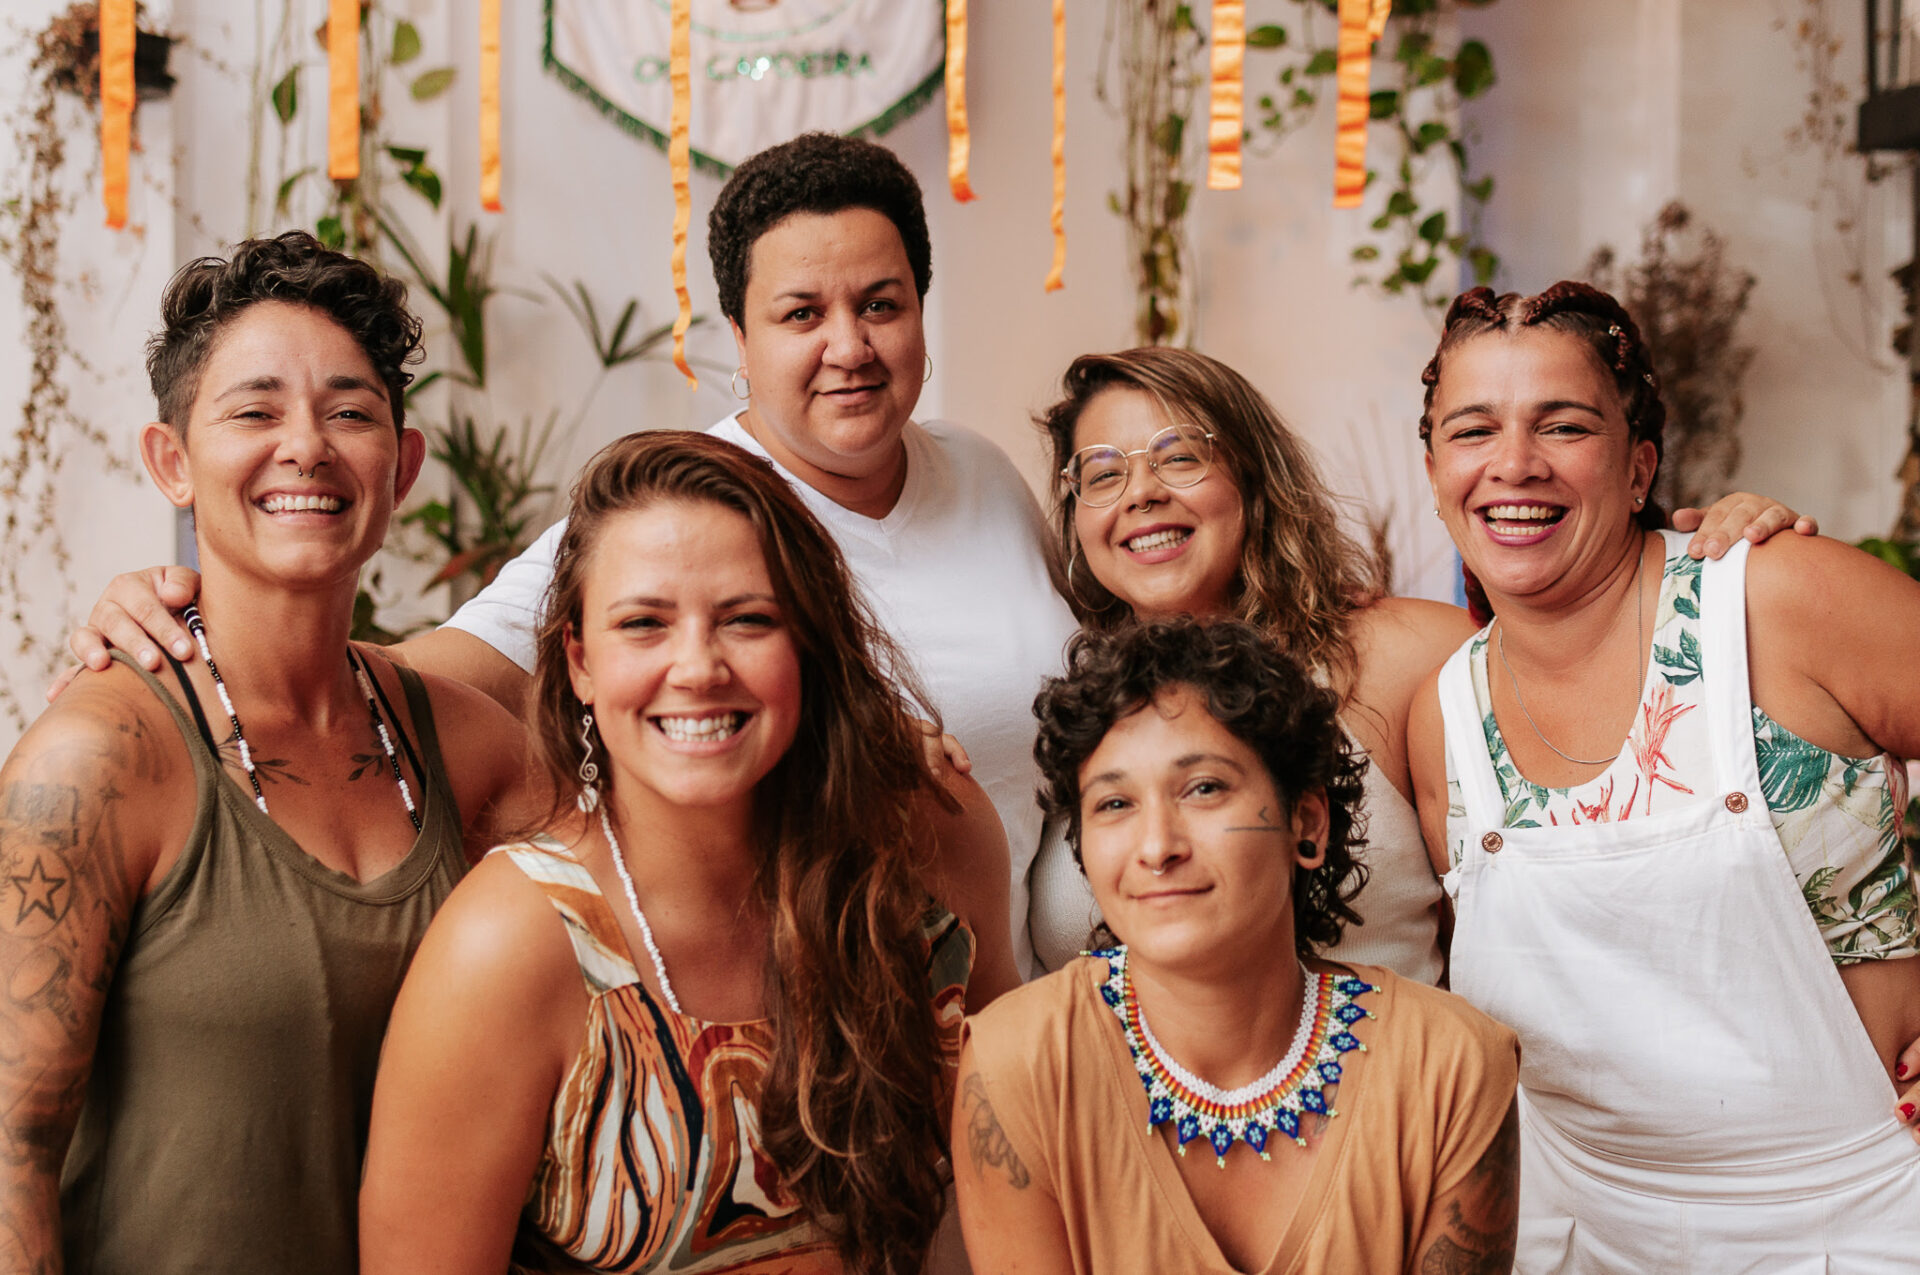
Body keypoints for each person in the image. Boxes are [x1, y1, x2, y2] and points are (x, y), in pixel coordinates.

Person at [64, 132, 1080, 978]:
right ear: (739, 336)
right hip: (805, 1004)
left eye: (881, 304)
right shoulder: (688, 512)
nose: (849, 345)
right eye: (802, 314)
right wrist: (201, 622)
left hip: (1022, 1003)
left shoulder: (981, 473)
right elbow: (397, 689)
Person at [359, 430, 1016, 1274]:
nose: (698, 667)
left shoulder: (935, 843)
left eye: (747, 619)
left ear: (809, 642)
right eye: (644, 623)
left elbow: (1023, 1172)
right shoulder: (510, 944)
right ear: (580, 661)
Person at [0, 232, 530, 1274]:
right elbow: (9, 1157)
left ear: (402, 467)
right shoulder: (95, 760)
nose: (306, 447)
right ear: (172, 462)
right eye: (254, 412)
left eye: (350, 413)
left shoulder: (472, 747)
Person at [1407, 282, 1920, 1270]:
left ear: (1640, 462)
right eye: (1472, 431)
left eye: (1563, 425)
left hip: (1858, 1222)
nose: (1514, 464)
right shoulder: (1446, 717)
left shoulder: (1773, 598)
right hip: (1576, 1233)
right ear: (1434, 473)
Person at [1026, 345, 1813, 980]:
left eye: (1180, 457)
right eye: (1103, 473)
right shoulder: (1068, 701)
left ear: (1254, 477)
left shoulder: (1405, 656)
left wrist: (1712, 558)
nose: (1140, 493)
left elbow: (1631, 733)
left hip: (1394, 1109)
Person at [955, 619, 1521, 1274]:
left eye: (1204, 788)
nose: (1157, 846)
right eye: (1114, 803)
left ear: (1306, 821)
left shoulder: (1452, 1067)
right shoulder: (1013, 1065)